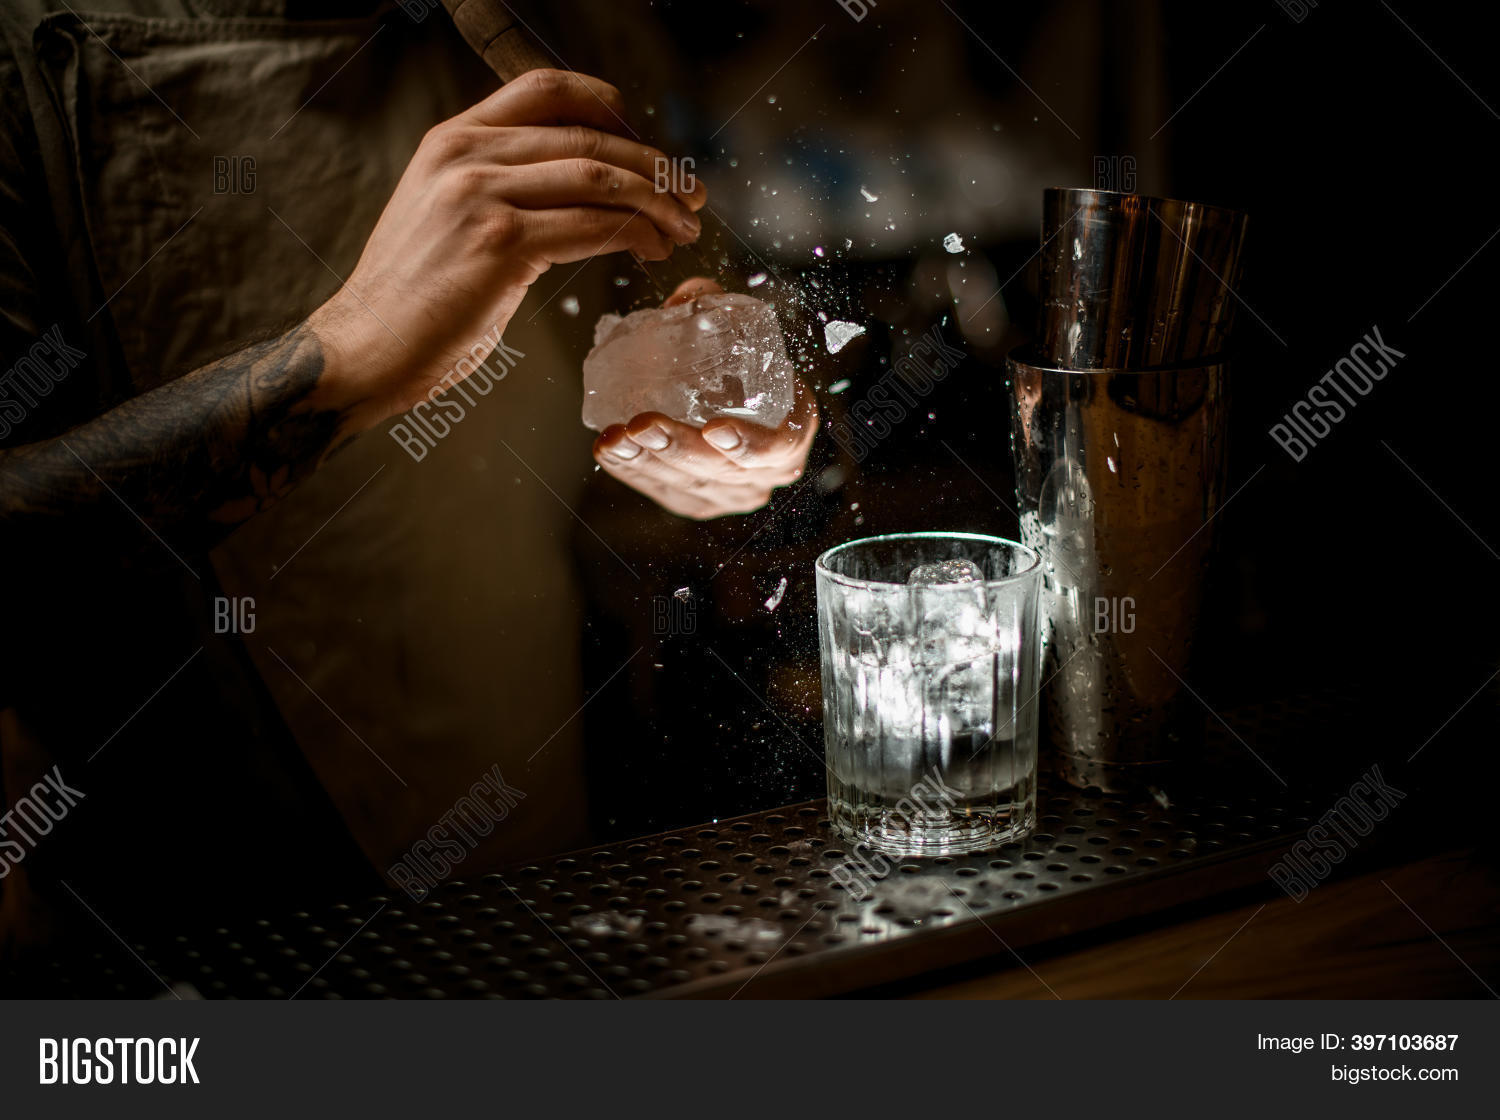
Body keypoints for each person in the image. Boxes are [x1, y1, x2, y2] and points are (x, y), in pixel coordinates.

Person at [0, 0, 813, 959]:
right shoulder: (20, 64)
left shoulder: (570, 26)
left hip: (537, 880)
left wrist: (725, 461)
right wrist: (353, 351)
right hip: (172, 936)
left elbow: (641, 417)